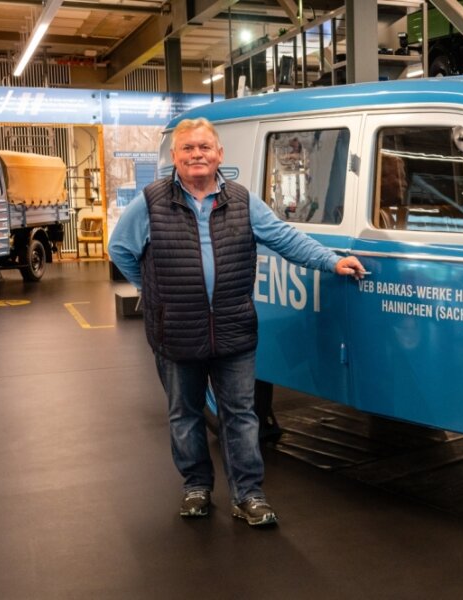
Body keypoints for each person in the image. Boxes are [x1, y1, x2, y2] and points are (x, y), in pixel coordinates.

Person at [108, 117, 366, 527]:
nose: (197, 155)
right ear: (174, 156)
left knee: (242, 415)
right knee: (184, 414)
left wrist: (330, 260)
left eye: (204, 148)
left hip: (233, 328)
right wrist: (154, 294)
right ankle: (196, 487)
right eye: (188, 149)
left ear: (219, 154)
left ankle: (248, 494)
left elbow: (285, 238)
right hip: (176, 330)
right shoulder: (151, 201)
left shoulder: (244, 202)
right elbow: (120, 249)